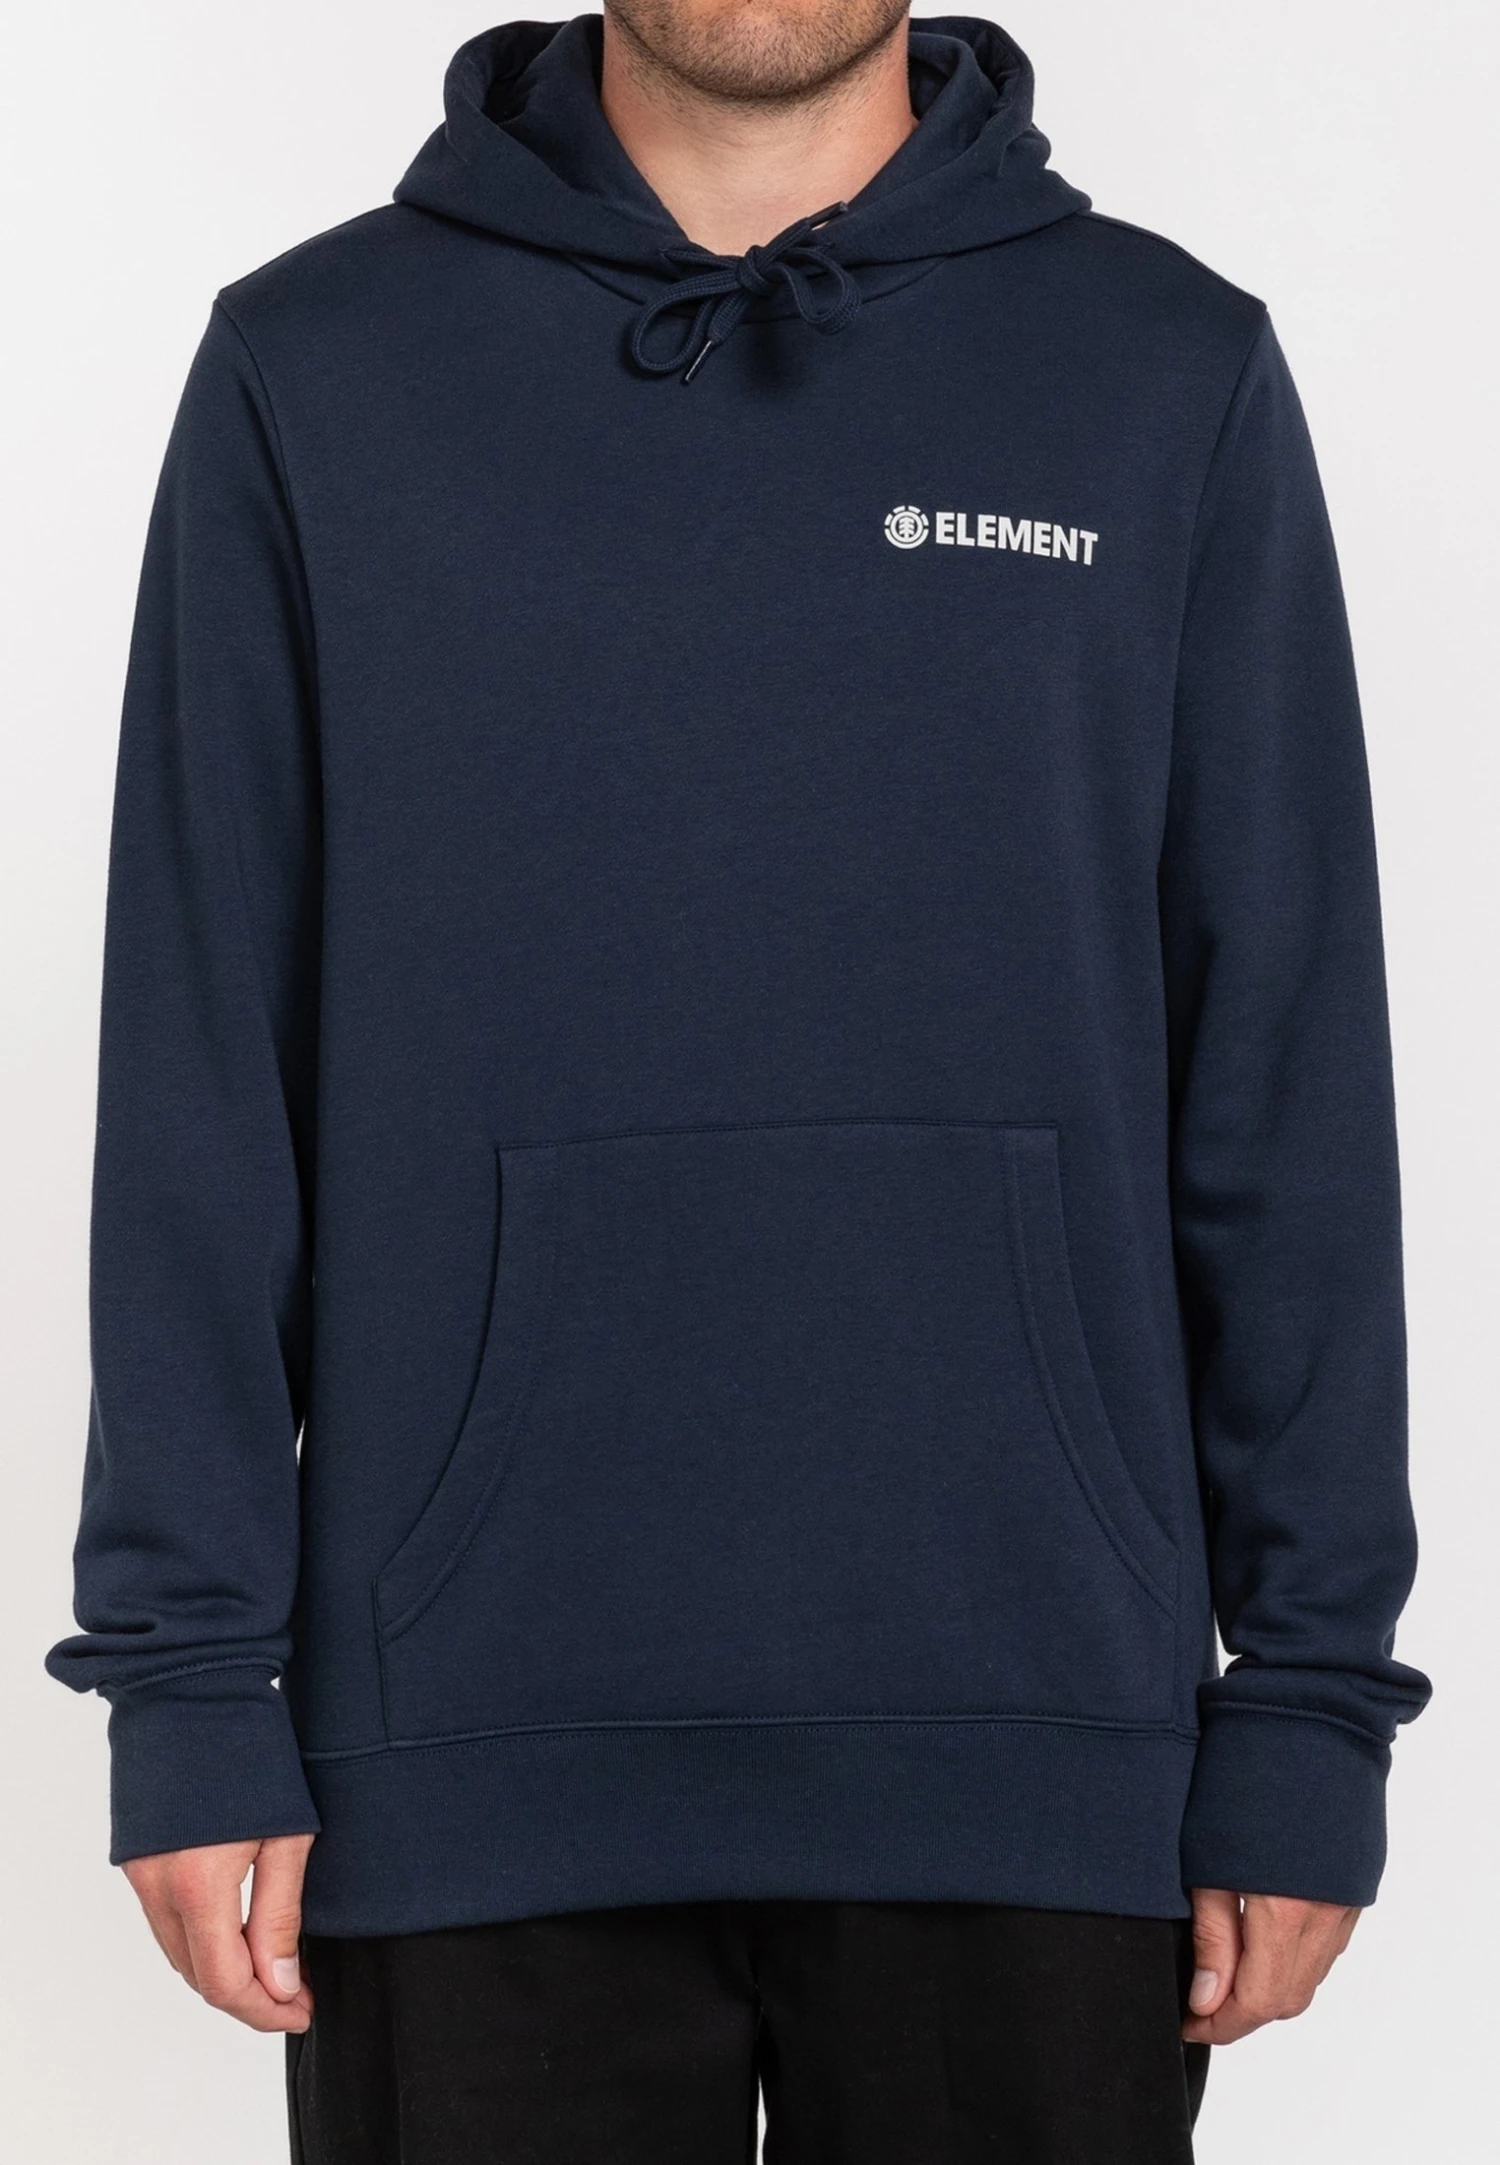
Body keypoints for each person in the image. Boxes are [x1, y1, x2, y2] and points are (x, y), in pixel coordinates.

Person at [48, 6, 1431, 2159]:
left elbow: (1288, 1071)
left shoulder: (1164, 370)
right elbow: (202, 1059)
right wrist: (187, 1679)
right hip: (465, 1758)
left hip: (1035, 1738)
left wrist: (1316, 1693)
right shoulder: (313, 371)